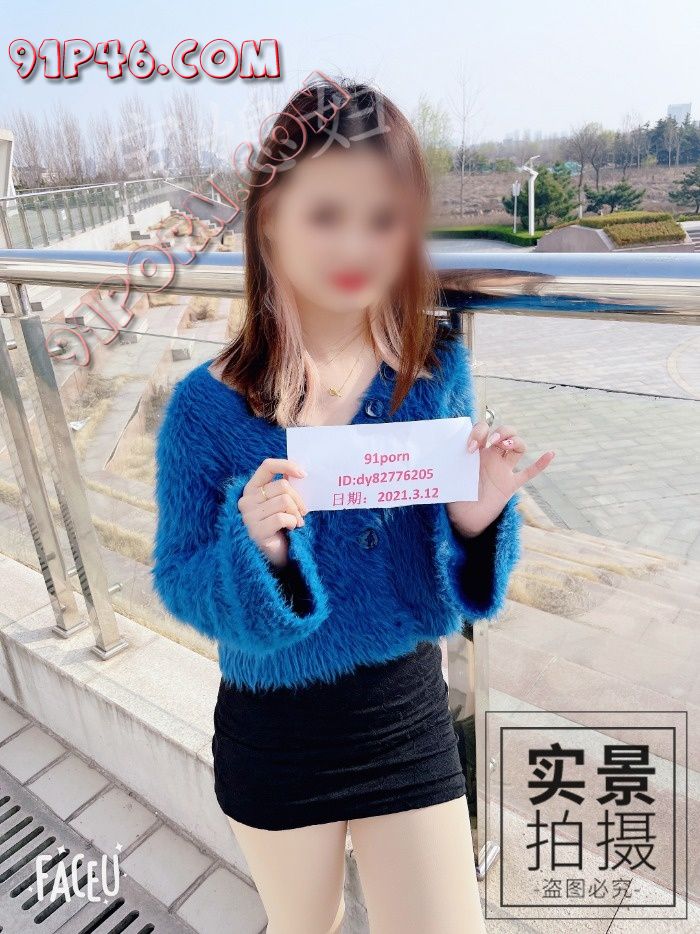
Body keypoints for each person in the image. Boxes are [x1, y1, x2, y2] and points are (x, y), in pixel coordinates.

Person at [153, 80, 554, 934]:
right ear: (270, 220)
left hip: (404, 711)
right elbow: (179, 576)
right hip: (274, 726)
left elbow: (443, 565)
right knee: (309, 924)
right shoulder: (204, 407)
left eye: (383, 220)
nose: (356, 246)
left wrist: (476, 518)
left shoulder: (433, 372)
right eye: (327, 214)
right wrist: (257, 550)